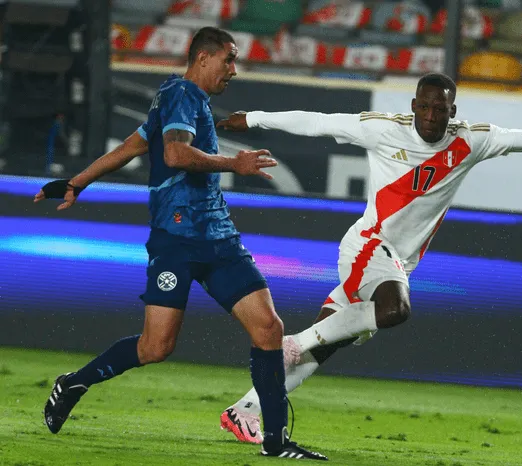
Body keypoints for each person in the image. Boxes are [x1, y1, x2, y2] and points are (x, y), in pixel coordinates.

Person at [216, 72, 522, 444]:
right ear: (413, 106)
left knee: (327, 344)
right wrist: (252, 119)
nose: (432, 116)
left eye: (441, 109)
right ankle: (294, 342)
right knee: (394, 309)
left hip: (397, 260)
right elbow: (317, 121)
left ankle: (245, 410)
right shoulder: (380, 130)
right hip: (367, 246)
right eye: (426, 106)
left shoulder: (471, 140)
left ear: (453, 111)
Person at [35, 26, 327, 461]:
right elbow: (173, 155)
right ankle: (75, 382)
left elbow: (132, 147)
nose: (234, 69)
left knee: (269, 329)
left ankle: (275, 442)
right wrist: (234, 162)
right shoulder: (182, 96)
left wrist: (76, 183)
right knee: (156, 347)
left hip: (218, 237)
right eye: (229, 59)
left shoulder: (181, 99)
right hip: (176, 241)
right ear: (204, 58)